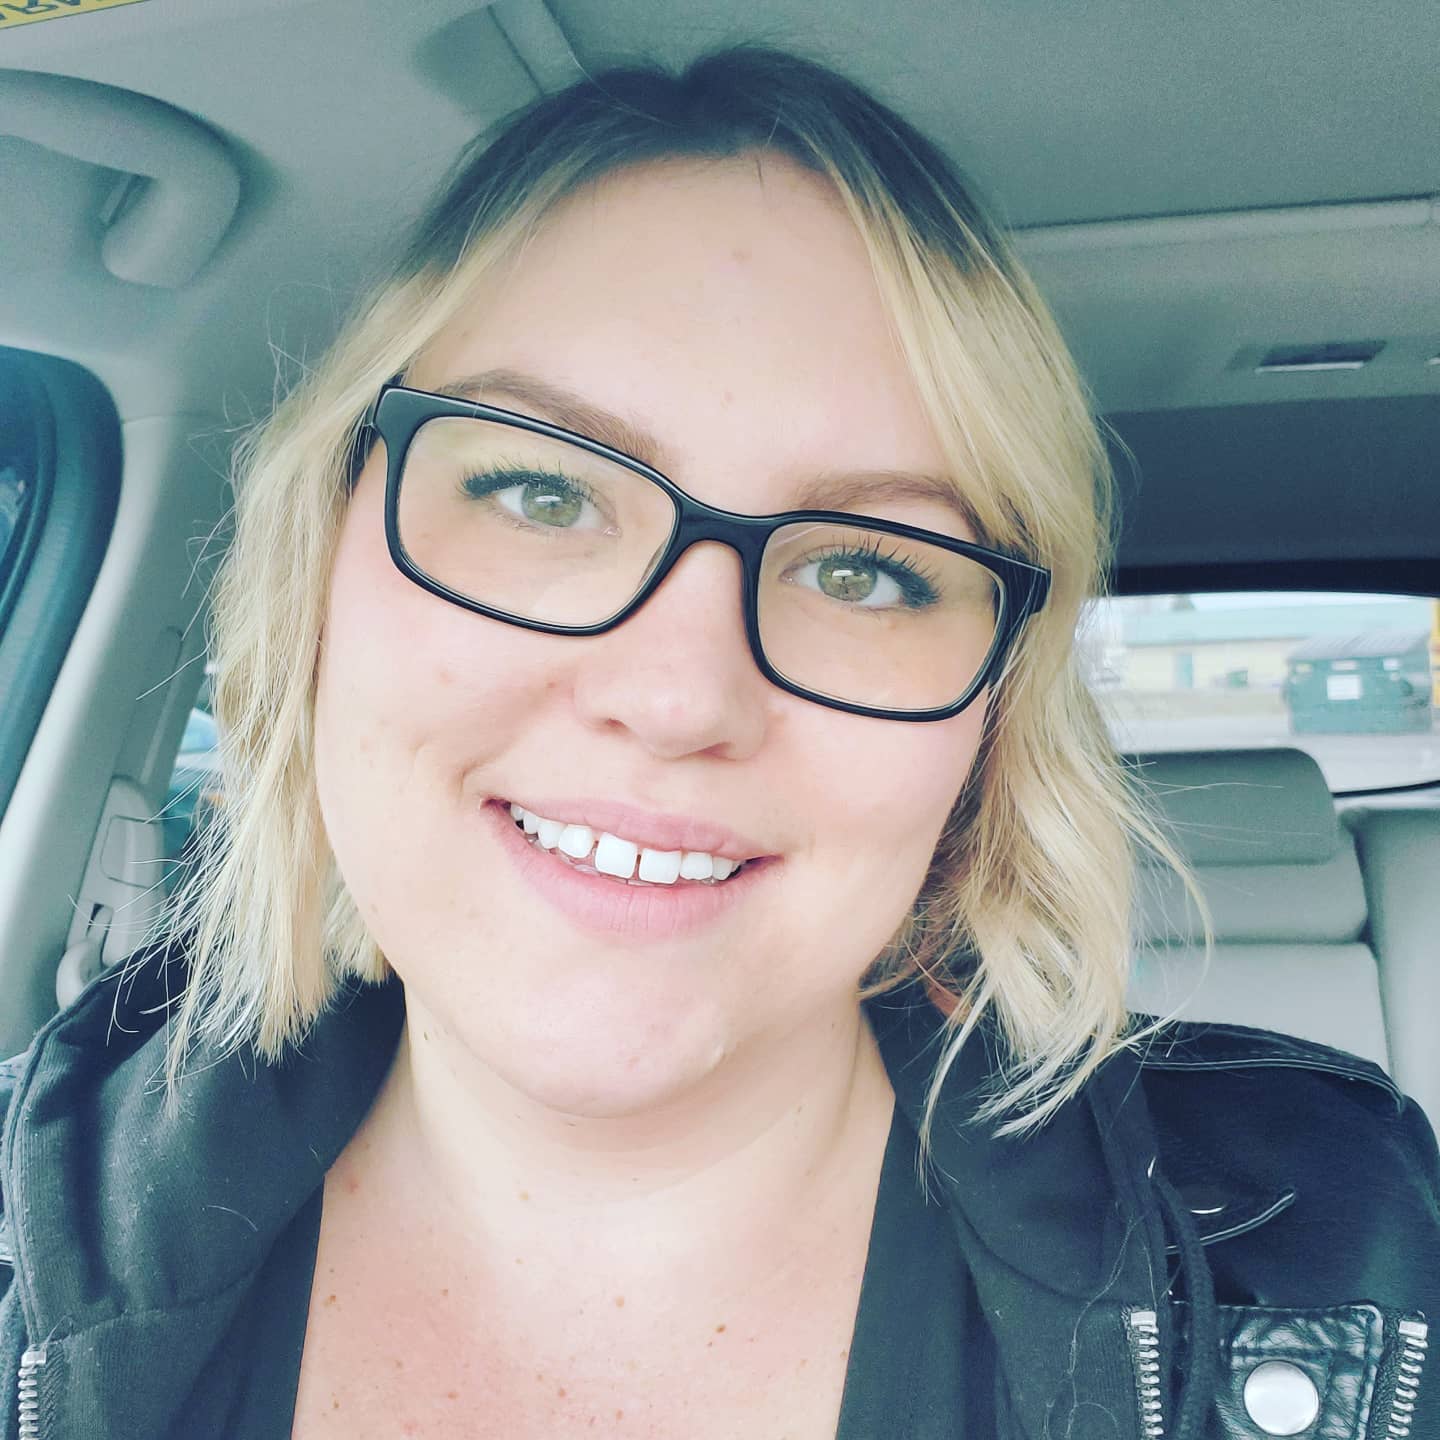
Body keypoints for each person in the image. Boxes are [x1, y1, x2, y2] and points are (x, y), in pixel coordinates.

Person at [1, 45, 1436, 1440]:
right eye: (542, 496)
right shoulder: (30, 1245)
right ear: (317, 561)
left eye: (864, 571)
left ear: (993, 723)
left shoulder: (1341, 1267)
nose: (681, 698)